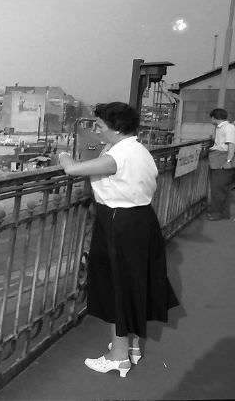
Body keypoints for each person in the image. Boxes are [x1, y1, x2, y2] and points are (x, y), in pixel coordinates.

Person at [57, 102, 178, 378]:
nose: (97, 130)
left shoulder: (118, 156)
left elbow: (73, 170)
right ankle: (131, 344)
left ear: (116, 127)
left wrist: (64, 155)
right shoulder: (139, 150)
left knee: (115, 285)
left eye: (100, 125)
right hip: (141, 221)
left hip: (117, 223)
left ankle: (118, 356)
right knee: (133, 281)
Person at [206, 108, 235, 221]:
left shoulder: (228, 128)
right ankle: (222, 212)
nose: (211, 119)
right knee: (221, 188)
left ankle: (217, 213)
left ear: (214, 117)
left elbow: (231, 145)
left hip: (222, 159)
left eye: (211, 117)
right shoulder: (221, 128)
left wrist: (228, 161)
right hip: (218, 159)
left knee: (218, 188)